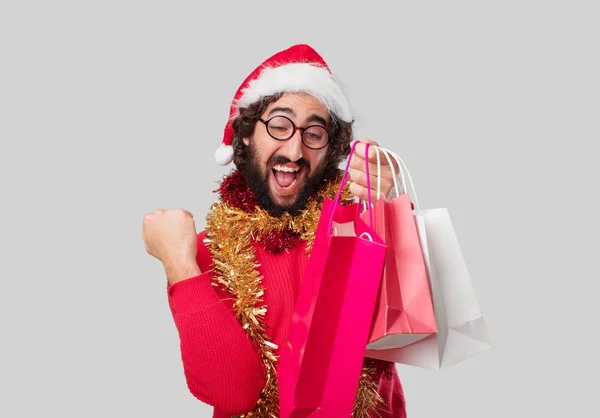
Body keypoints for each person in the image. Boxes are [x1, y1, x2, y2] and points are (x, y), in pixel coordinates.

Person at [142, 44, 407, 418]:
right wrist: (179, 264)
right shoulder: (203, 252)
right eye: (279, 126)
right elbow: (234, 393)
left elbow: (418, 329)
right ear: (247, 134)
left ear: (330, 147)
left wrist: (387, 207)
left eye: (314, 133)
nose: (295, 150)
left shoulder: (356, 226)